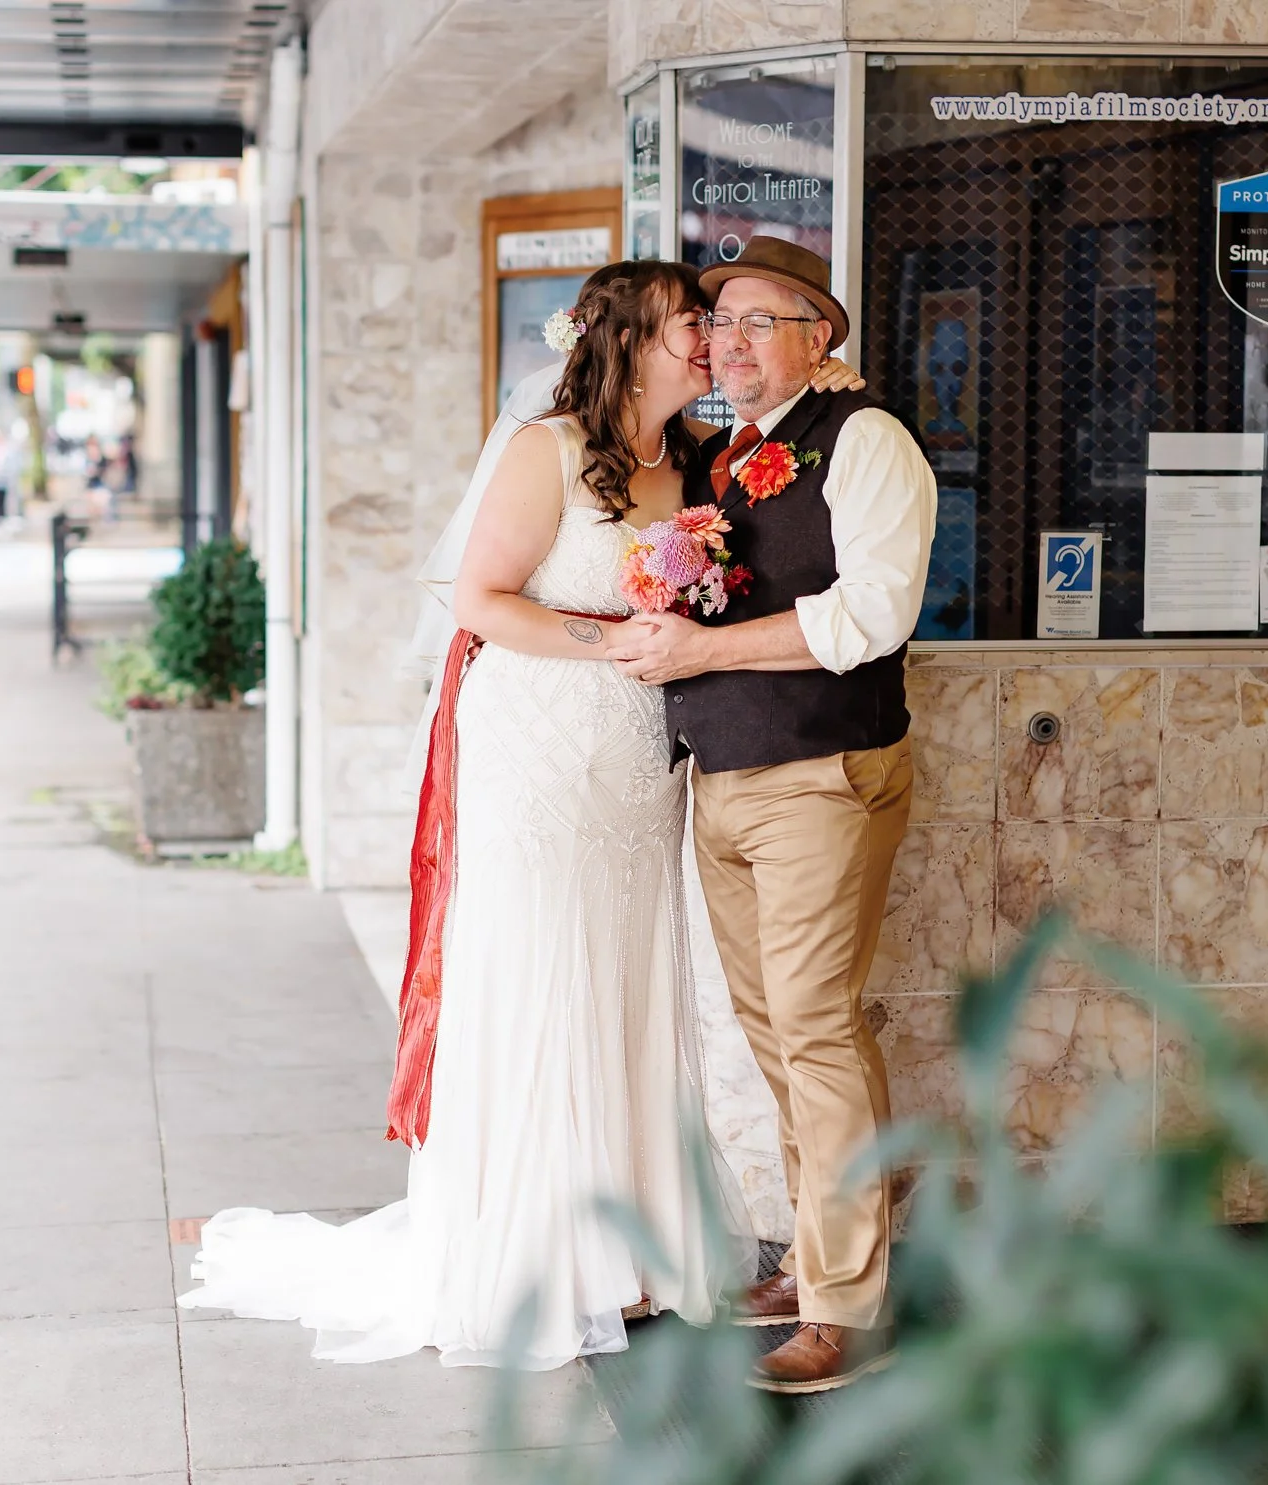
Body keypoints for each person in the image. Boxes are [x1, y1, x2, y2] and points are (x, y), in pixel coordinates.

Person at [178, 259, 867, 1370]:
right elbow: (480, 600)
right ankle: (537, 1258)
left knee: (624, 975)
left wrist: (823, 372)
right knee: (542, 968)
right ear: (626, 342)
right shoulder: (546, 448)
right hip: (537, 738)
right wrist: (613, 640)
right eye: (688, 324)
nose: (707, 341)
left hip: (639, 752)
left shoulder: (699, 457)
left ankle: (635, 1253)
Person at [606, 236, 938, 1394]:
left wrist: (703, 650)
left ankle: (846, 1306)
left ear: (819, 338)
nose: (730, 341)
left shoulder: (866, 438)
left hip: (822, 772)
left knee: (814, 1030)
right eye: (719, 321)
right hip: (727, 775)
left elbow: (872, 617)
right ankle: (815, 1259)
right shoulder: (717, 452)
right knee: (777, 1033)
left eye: (760, 320)